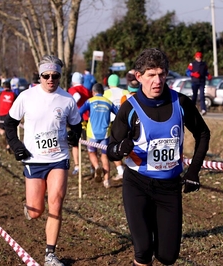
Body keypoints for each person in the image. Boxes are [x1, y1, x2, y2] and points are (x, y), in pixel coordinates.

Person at [107, 48, 210, 266]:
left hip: (169, 187)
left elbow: (203, 133)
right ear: (138, 76)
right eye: (151, 75)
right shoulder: (130, 108)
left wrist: (193, 172)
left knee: (167, 256)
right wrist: (120, 149)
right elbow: (110, 147)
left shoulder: (180, 103)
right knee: (143, 250)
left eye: (162, 74)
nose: (157, 80)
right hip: (137, 184)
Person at [4, 55, 82, 266]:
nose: (50, 79)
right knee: (36, 211)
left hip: (59, 158)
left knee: (56, 203)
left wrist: (75, 136)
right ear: (39, 76)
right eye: (46, 76)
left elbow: (77, 124)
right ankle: (31, 208)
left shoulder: (67, 99)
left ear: (60, 76)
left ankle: (50, 255)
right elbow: (9, 123)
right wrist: (16, 146)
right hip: (33, 159)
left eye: (55, 75)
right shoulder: (26, 97)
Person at [79, 83, 118, 188]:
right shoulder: (108, 102)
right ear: (103, 92)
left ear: (93, 92)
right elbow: (118, 114)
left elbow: (79, 112)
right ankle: (107, 181)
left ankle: (96, 167)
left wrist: (82, 122)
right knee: (104, 156)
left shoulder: (90, 101)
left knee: (92, 153)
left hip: (92, 133)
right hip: (105, 134)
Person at [103, 74, 129, 180]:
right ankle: (129, 167)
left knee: (114, 146)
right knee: (127, 144)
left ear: (109, 83)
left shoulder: (106, 93)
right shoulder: (125, 92)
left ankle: (120, 170)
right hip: (126, 122)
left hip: (113, 122)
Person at [67, 72, 92, 175]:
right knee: (89, 144)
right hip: (87, 119)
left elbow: (76, 96)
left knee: (75, 144)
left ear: (73, 81)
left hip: (77, 119)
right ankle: (92, 166)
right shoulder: (87, 90)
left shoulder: (72, 90)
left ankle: (77, 166)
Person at [0, 81, 16, 151]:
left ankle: (6, 141)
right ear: (10, 87)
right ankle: (8, 144)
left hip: (1, 114)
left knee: (2, 130)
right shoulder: (13, 94)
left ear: (3, 87)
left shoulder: (0, 93)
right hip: (10, 114)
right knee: (10, 130)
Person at [186, 51, 212, 116]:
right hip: (194, 82)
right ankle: (191, 109)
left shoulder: (204, 64)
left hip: (202, 82)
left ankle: (203, 109)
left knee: (202, 96)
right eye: (197, 57)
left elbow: (206, 71)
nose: (199, 58)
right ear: (195, 57)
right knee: (194, 96)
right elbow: (187, 72)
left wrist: (208, 75)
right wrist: (193, 74)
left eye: (200, 57)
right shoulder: (192, 64)